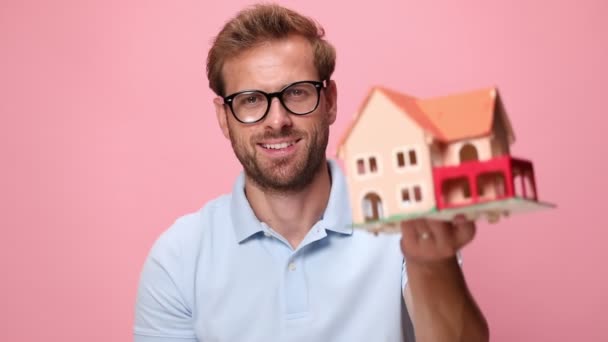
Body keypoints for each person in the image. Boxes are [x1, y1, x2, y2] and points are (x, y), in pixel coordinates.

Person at [134, 3, 489, 341]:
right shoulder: (179, 256)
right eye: (251, 100)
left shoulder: (404, 219)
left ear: (330, 101)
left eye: (298, 93)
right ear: (224, 119)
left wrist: (431, 262)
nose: (278, 121)